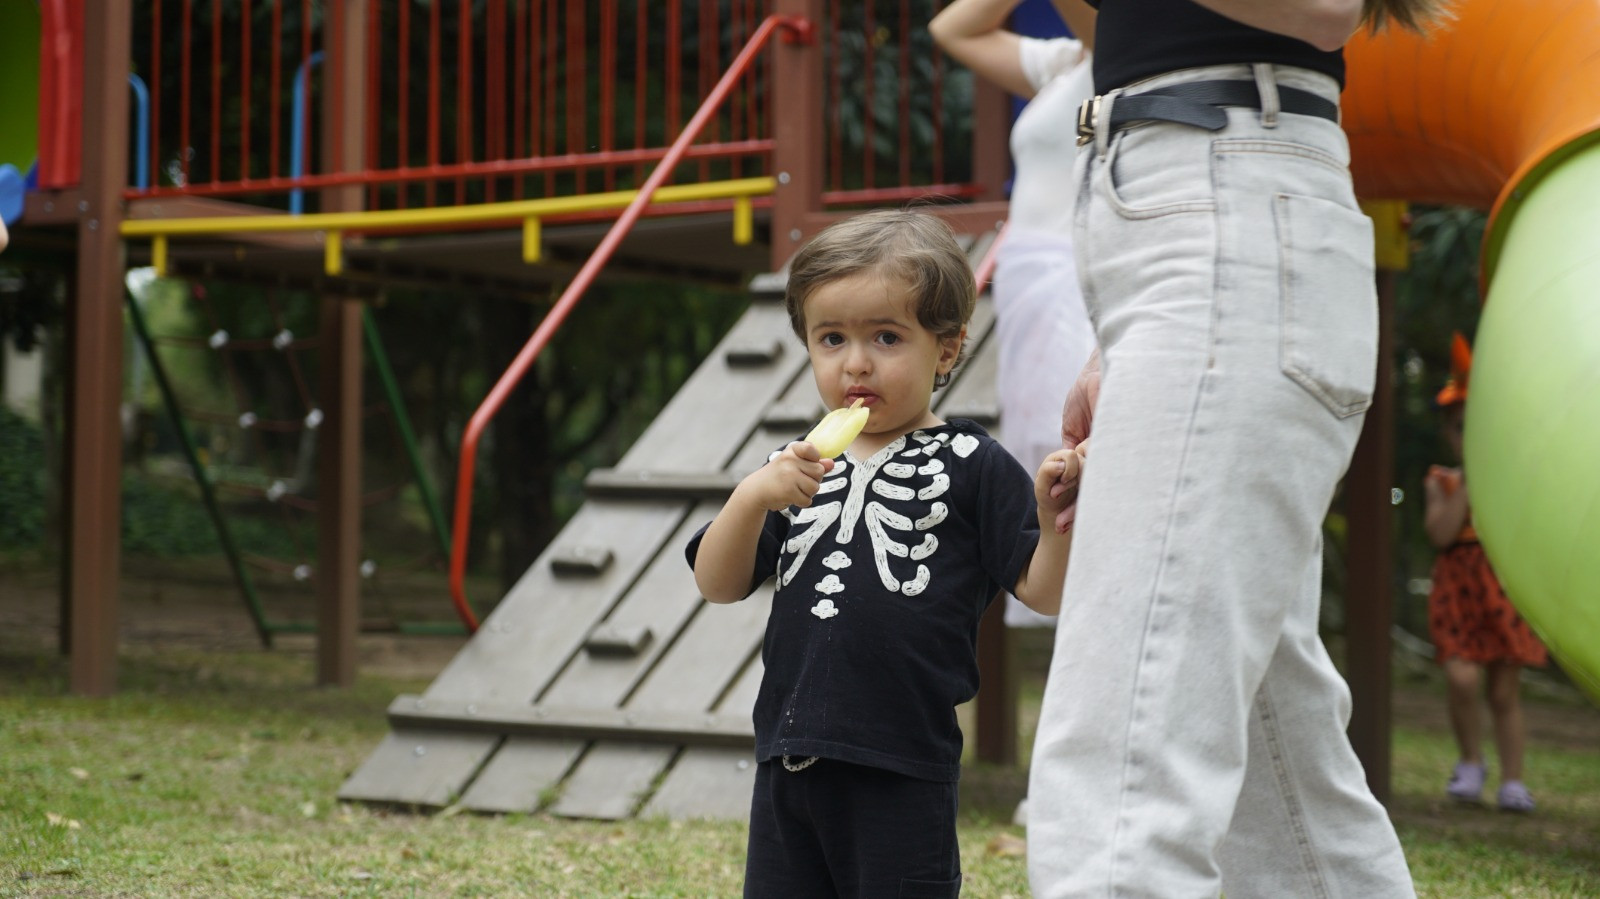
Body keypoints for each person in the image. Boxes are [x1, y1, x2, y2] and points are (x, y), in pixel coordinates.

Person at [1028, 1, 1450, 896]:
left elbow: (1327, 9)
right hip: (1190, 219)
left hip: (1227, 207)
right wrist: (1121, 345)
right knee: (1281, 772)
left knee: (1122, 764)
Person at [687, 209, 1082, 898]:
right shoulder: (797, 466)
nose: (856, 362)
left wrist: (1053, 524)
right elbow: (717, 583)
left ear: (947, 350)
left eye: (887, 337)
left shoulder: (974, 462)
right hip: (786, 759)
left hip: (904, 766)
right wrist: (751, 497)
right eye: (831, 338)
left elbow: (1043, 593)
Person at [930, 0, 1098, 630]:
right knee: (1038, 448)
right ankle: (1056, 605)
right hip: (1029, 278)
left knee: (1073, 448)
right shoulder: (1064, 61)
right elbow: (951, 28)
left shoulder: (1119, 52)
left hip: (1073, 276)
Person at [1423, 333, 1546, 812]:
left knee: (1502, 691)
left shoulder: (1511, 480)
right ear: (1448, 433)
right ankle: (1470, 761)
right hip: (1458, 590)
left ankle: (1513, 781)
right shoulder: (1439, 481)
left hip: (1499, 590)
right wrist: (1470, 482)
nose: (1468, 435)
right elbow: (1440, 534)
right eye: (1460, 428)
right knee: (1462, 679)